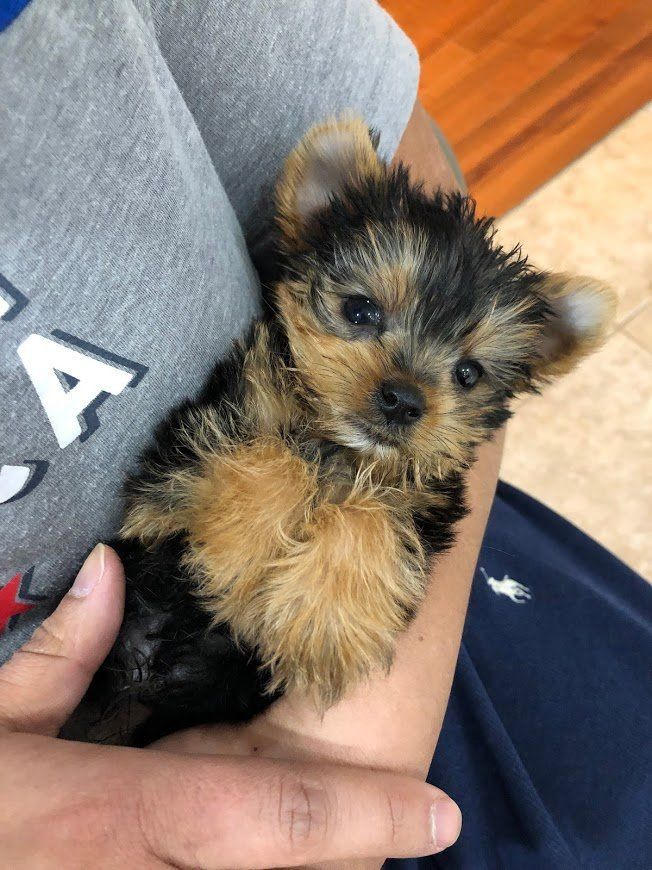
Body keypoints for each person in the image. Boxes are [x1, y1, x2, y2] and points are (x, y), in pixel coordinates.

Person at [1, 2, 650, 868]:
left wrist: (358, 730)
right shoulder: (252, 418)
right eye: (358, 313)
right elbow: (191, 503)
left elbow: (401, 128)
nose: (405, 387)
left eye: (465, 375)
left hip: (408, 677)